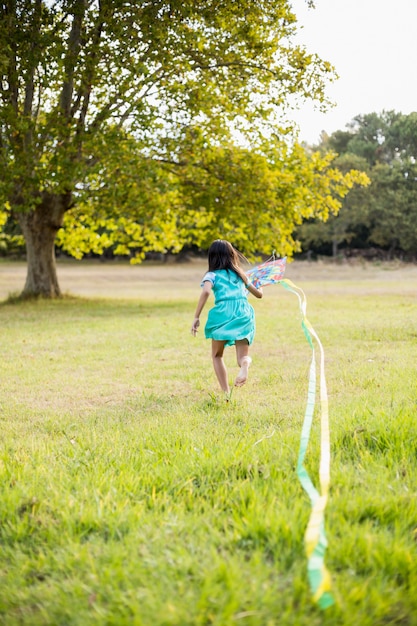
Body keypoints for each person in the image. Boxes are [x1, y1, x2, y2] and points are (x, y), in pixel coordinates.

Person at [191, 239, 263, 398]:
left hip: (223, 313)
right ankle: (245, 364)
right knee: (242, 357)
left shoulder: (211, 275)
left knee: (217, 355)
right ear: (232, 255)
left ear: (211, 257)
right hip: (243, 312)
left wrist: (196, 317)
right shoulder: (241, 274)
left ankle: (226, 394)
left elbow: (206, 292)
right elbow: (259, 295)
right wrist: (259, 286)